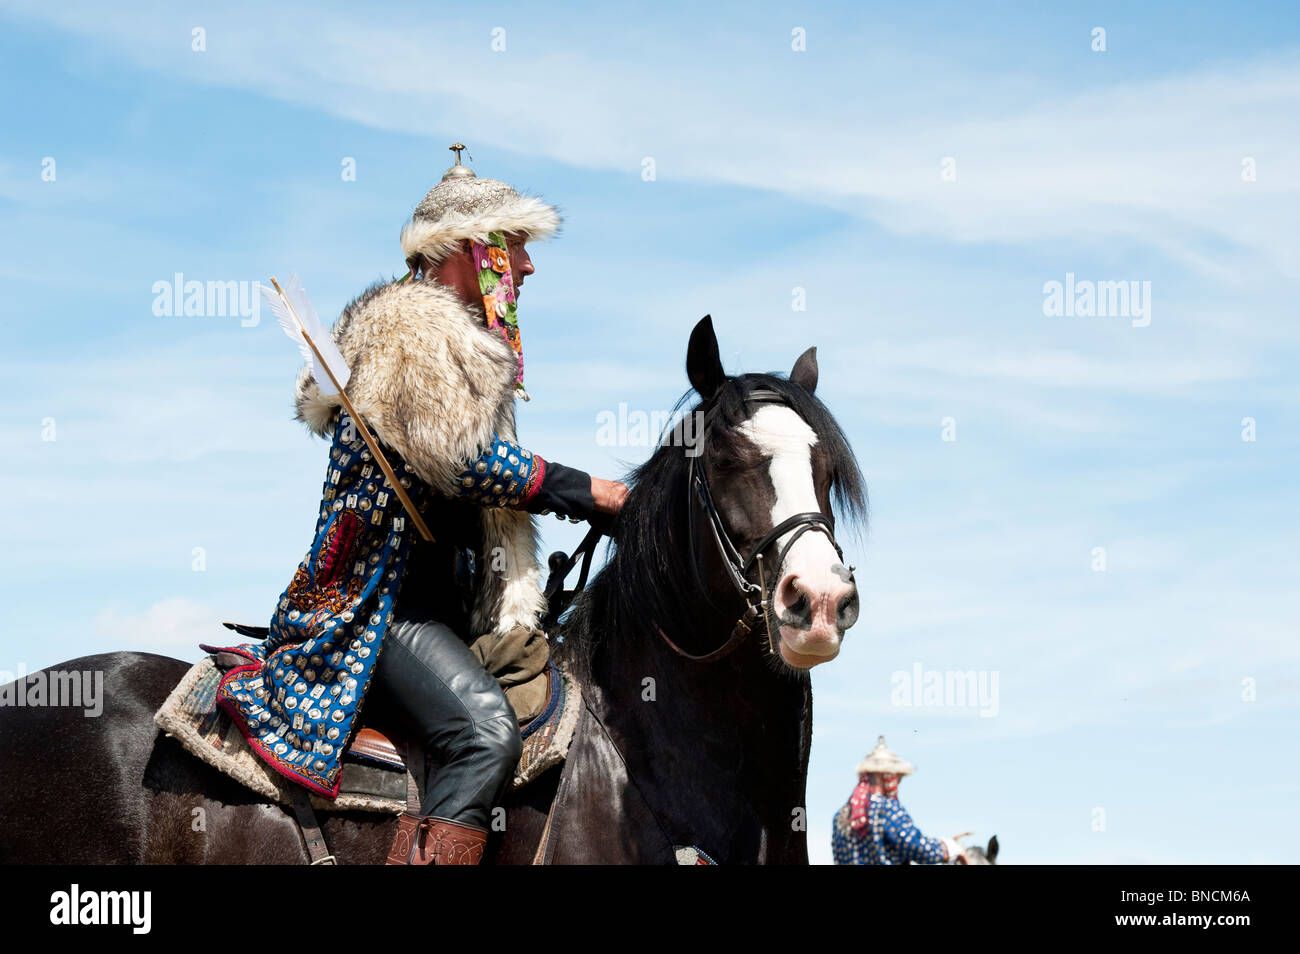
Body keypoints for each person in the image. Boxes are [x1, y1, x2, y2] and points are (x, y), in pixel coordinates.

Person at [212, 144, 627, 865]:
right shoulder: (412, 331)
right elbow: (466, 461)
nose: (527, 267)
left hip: (445, 606)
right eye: (516, 247)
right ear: (471, 250)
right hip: (383, 606)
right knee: (485, 733)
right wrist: (590, 492)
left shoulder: (456, 340)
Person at [831, 735, 969, 865]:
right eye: (897, 778)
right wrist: (948, 848)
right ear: (883, 775)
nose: (897, 783)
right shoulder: (885, 809)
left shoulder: (840, 816)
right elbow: (915, 846)